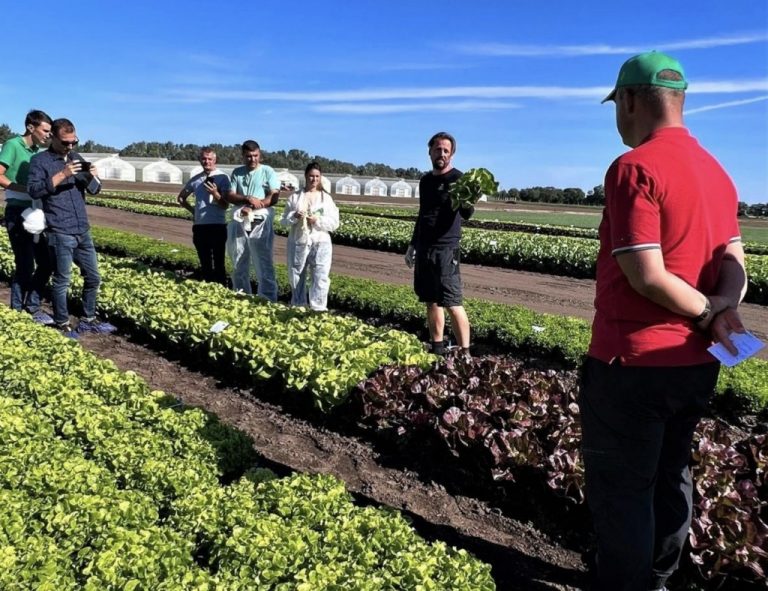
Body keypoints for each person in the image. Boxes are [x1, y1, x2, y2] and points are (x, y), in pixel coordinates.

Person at [579, 51, 748, 591]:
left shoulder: (635, 167)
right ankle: (660, 579)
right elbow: (735, 262)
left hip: (631, 360)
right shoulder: (717, 172)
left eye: (617, 105)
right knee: (673, 472)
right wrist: (722, 309)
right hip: (695, 365)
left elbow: (645, 273)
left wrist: (705, 313)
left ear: (629, 100)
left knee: (623, 489)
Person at [27, 118, 116, 337]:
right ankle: (62, 322)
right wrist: (62, 175)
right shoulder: (41, 161)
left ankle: (88, 319)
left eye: (73, 142)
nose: (70, 147)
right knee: (62, 280)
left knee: (93, 277)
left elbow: (95, 190)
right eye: (65, 142)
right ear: (53, 138)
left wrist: (93, 177)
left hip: (82, 228)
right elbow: (34, 190)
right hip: (59, 229)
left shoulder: (77, 157)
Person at [405, 131, 473, 356]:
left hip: (446, 249)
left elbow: (467, 213)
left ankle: (465, 353)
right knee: (431, 300)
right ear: (430, 152)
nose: (441, 153)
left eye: (446, 150)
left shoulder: (459, 180)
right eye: (437, 149)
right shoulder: (425, 181)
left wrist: (467, 197)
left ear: (452, 154)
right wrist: (413, 244)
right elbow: (422, 214)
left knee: (452, 302)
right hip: (425, 248)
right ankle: (437, 347)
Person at [0, 109, 54, 324]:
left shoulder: (37, 153)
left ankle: (31, 307)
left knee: (46, 262)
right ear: (31, 128)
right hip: (18, 210)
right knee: (25, 264)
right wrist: (26, 190)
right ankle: (16, 312)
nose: (48, 135)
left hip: (36, 212)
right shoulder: (14, 145)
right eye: (45, 130)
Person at [280, 162, 339, 310]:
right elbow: (283, 220)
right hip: (299, 240)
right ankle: (298, 305)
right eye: (311, 176)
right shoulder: (295, 197)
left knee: (320, 276)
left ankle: (318, 308)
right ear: (306, 176)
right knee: (296, 274)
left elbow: (334, 223)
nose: (314, 179)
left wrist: (317, 221)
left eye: (317, 176)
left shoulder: (326, 199)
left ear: (320, 177)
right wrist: (295, 215)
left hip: (321, 242)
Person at [226, 140, 280, 300]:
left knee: (264, 263)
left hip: (260, 222)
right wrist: (247, 199)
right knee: (238, 261)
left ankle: (268, 298)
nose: (253, 159)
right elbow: (230, 195)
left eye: (255, 155)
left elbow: (274, 196)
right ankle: (242, 296)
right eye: (249, 156)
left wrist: (258, 205)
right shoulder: (237, 173)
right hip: (240, 220)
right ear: (243, 156)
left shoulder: (267, 171)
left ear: (260, 155)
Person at [177, 147, 231, 285]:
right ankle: (208, 289)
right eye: (204, 159)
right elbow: (181, 198)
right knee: (205, 261)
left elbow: (225, 205)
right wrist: (194, 211)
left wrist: (215, 193)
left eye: (209, 159)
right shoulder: (195, 179)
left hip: (217, 225)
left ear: (215, 160)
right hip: (200, 226)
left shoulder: (223, 178)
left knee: (219, 262)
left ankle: (221, 289)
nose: (207, 162)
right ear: (200, 160)